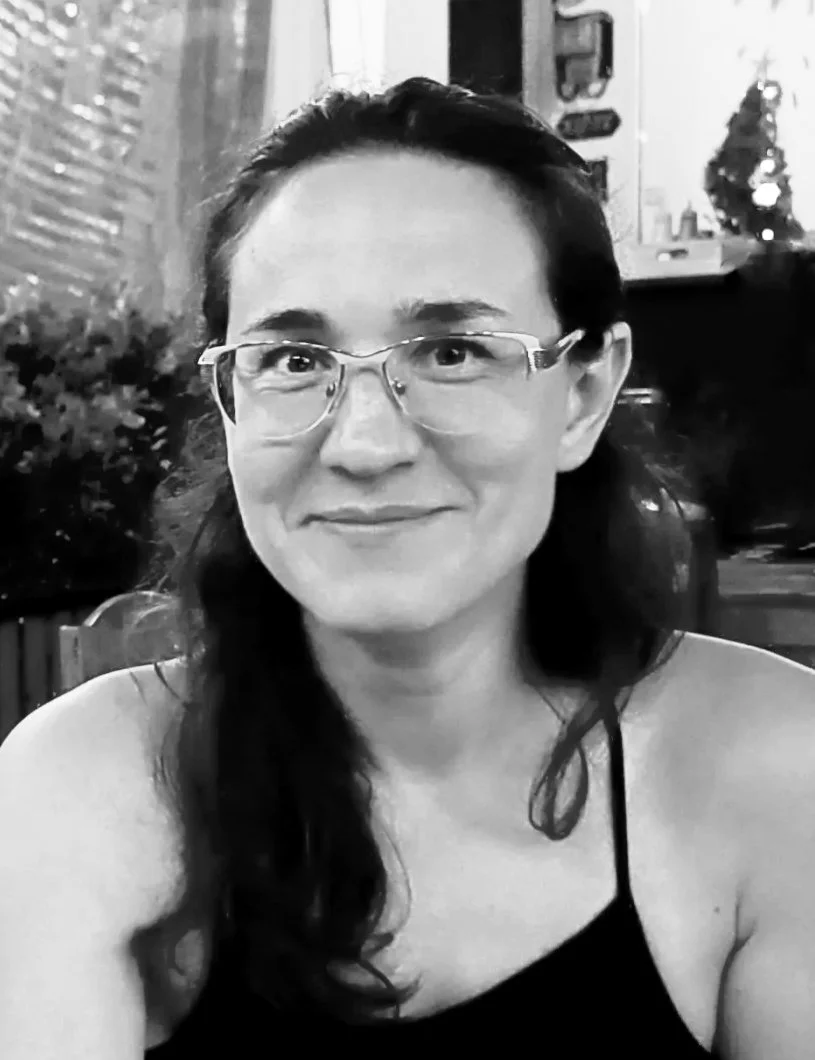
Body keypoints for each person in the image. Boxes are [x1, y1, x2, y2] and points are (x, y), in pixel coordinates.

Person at [1, 77, 814, 1059]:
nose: (365, 442)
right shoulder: (85, 789)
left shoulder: (770, 772)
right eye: (294, 360)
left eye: (452, 350)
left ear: (582, 391)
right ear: (229, 403)